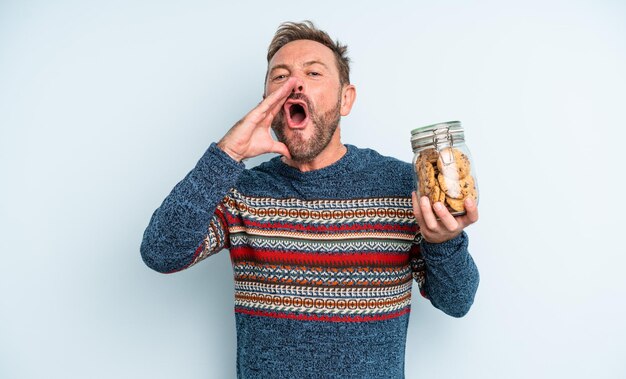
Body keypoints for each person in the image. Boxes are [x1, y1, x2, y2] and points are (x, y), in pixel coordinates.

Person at [141, 20, 479, 379]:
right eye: (279, 76)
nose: (294, 83)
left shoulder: (401, 186)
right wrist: (227, 153)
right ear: (268, 102)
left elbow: (457, 301)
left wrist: (443, 242)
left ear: (345, 99)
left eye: (313, 73)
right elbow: (161, 253)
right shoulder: (241, 191)